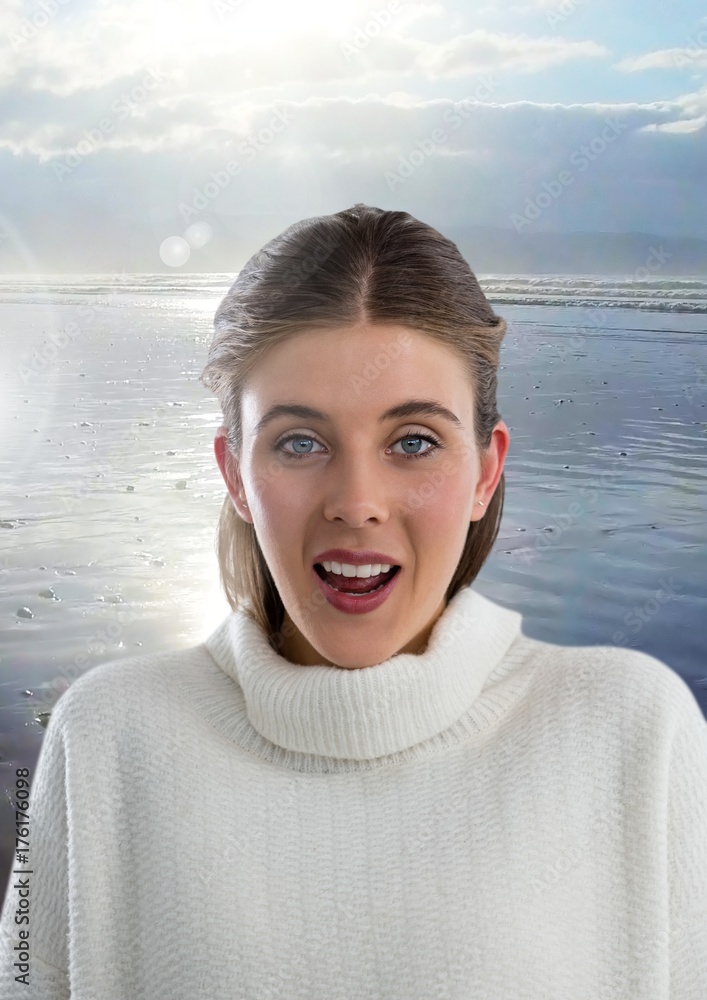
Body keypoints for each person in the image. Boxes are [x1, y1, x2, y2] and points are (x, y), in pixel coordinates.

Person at [1, 203, 705, 999]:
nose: (356, 502)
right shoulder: (107, 735)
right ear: (235, 474)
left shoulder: (632, 730)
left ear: (484, 470)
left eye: (413, 441)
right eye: (300, 442)